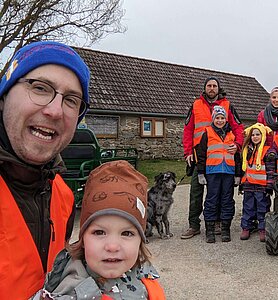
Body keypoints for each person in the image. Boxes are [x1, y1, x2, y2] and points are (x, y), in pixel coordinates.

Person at [0, 41, 90, 299]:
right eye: (40, 88)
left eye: (71, 100)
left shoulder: (63, 196)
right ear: (4, 97)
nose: (54, 111)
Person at [34, 160, 165, 299]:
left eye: (127, 233)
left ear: (140, 241)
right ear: (83, 239)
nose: (112, 246)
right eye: (99, 232)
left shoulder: (143, 275)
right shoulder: (70, 294)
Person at [181, 77, 244, 239]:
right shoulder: (195, 105)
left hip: (221, 159)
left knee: (218, 192)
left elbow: (238, 128)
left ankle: (217, 223)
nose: (211, 88)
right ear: (205, 88)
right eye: (209, 86)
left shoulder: (228, 105)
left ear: (218, 88)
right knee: (196, 191)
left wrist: (237, 144)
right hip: (198, 156)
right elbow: (188, 130)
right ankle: (193, 225)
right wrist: (188, 152)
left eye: (214, 86)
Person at [196, 106, 241, 243]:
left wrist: (237, 175)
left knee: (227, 200)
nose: (220, 121)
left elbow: (237, 157)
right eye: (217, 118)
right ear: (213, 119)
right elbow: (201, 154)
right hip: (212, 172)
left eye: (222, 118)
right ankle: (210, 230)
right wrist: (200, 173)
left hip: (228, 172)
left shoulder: (231, 135)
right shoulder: (207, 133)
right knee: (211, 200)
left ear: (226, 119)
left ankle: (225, 229)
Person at [239, 123, 274, 242]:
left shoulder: (267, 150)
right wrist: (241, 184)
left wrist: (269, 185)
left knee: (262, 207)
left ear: (262, 135)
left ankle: (263, 228)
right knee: (248, 207)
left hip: (261, 185)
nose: (255, 137)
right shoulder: (247, 150)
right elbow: (245, 168)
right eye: (253, 135)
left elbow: (270, 169)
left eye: (258, 134)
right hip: (249, 184)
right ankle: (246, 227)